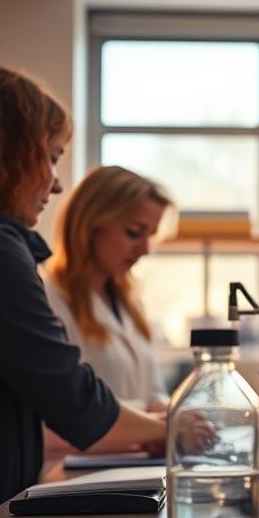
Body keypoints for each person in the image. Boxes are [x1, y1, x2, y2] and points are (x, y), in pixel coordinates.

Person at [0, 66, 166, 504]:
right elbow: (72, 399)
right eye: (51, 157)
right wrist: (175, 432)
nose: (56, 183)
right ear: (8, 155)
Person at [43, 166, 171, 417]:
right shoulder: (49, 297)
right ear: (90, 226)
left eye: (151, 236)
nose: (144, 250)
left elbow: (152, 389)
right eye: (134, 233)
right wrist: (149, 414)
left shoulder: (130, 303)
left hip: (135, 451)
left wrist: (167, 408)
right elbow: (63, 407)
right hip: (82, 454)